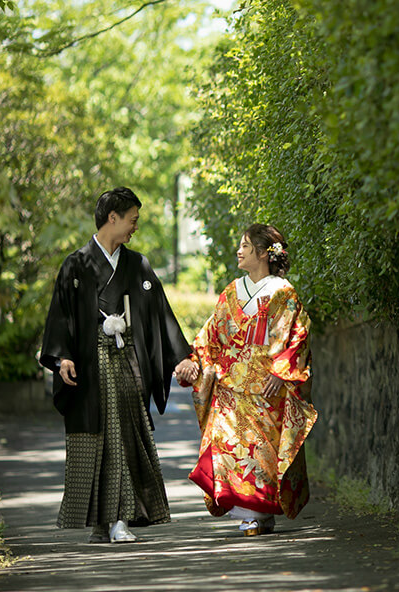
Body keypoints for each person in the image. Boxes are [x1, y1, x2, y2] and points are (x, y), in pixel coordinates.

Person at [39, 187, 199, 544]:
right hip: (88, 365)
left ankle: (118, 519)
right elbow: (60, 317)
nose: (134, 228)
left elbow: (161, 314)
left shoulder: (137, 265)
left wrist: (181, 357)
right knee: (98, 440)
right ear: (113, 218)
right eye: (132, 220)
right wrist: (62, 357)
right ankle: (105, 522)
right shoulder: (75, 265)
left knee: (122, 436)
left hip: (125, 362)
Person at [182, 223, 316, 536]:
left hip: (266, 387)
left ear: (263, 254)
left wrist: (281, 373)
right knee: (230, 448)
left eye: (245, 246)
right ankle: (250, 513)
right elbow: (211, 334)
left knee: (261, 454)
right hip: (230, 386)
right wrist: (193, 361)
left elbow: (299, 334)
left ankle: (260, 514)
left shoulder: (282, 293)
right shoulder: (231, 291)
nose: (239, 251)